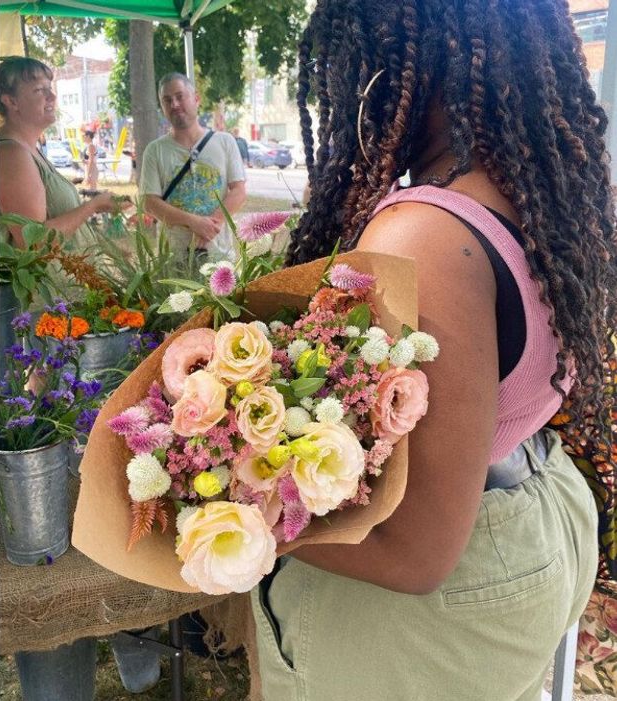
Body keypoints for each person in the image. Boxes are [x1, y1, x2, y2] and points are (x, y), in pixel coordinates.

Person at [251, 2, 616, 699]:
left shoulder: (422, 237)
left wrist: (231, 518)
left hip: (434, 605)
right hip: (537, 510)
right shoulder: (539, 191)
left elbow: (415, 553)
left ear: (391, 61)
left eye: (348, 59)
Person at [0, 56, 118, 249]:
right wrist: (93, 206)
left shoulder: (28, 148)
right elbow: (33, 243)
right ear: (11, 102)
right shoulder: (11, 154)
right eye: (39, 90)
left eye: (49, 88)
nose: (52, 97)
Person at [139, 73, 247, 262]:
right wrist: (193, 222)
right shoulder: (155, 150)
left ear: (196, 99)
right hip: (174, 260)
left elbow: (238, 191)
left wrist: (209, 227)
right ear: (162, 107)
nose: (174, 104)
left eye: (180, 96)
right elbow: (149, 202)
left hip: (219, 256)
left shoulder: (225, 142)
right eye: (167, 100)